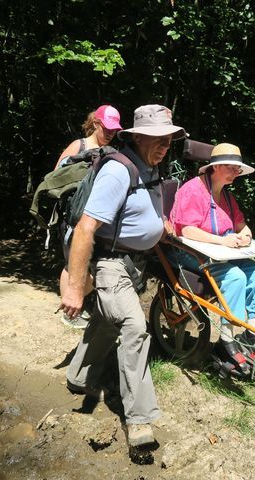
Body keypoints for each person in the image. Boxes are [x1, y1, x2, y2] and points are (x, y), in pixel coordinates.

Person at [60, 104, 187, 448]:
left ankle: (78, 375)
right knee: (133, 325)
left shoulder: (151, 169)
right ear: (138, 136)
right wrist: (74, 288)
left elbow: (141, 216)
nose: (164, 146)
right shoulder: (119, 171)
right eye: (158, 139)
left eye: (169, 140)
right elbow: (86, 229)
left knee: (106, 319)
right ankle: (140, 420)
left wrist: (161, 230)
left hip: (135, 263)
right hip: (109, 262)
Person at [169, 143, 255, 378]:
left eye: (238, 168)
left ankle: (251, 333)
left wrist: (245, 233)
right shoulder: (193, 190)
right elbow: (187, 231)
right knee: (235, 277)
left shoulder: (226, 195)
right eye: (231, 167)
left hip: (221, 253)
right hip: (189, 252)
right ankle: (226, 338)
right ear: (215, 168)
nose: (236, 172)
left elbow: (240, 224)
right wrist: (222, 241)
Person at [55, 105, 122, 328]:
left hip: (95, 218)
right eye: (107, 128)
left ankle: (76, 305)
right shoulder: (79, 145)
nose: (111, 133)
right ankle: (71, 312)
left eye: (114, 129)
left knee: (90, 266)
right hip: (73, 217)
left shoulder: (111, 151)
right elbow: (56, 176)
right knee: (71, 265)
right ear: (96, 124)